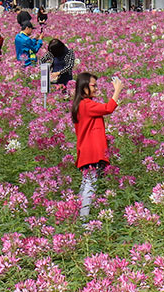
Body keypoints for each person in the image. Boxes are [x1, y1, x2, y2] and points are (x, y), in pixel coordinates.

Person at [71, 72, 123, 219]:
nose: (96, 89)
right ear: (84, 86)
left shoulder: (81, 104)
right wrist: (117, 90)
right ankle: (83, 220)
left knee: (86, 185)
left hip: (86, 152)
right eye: (93, 86)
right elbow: (108, 108)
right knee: (90, 186)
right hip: (92, 152)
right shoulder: (86, 104)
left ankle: (76, 217)